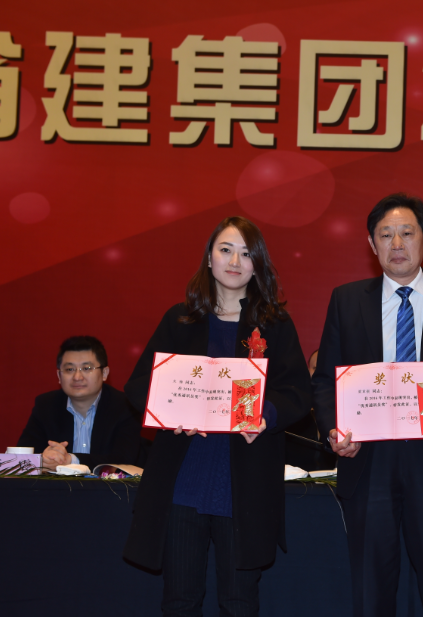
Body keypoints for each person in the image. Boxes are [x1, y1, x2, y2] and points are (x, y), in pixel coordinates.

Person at [313, 193, 423, 617]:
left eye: (407, 233)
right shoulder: (346, 299)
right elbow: (324, 380)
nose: (397, 244)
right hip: (367, 458)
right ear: (371, 244)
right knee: (371, 590)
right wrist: (334, 428)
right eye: (386, 235)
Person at [121, 217, 312, 617]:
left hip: (244, 484)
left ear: (258, 265)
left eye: (246, 253)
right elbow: (138, 385)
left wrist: (265, 414)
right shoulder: (180, 319)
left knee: (239, 603)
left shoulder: (274, 325)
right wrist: (170, 410)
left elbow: (297, 392)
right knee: (180, 601)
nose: (235, 261)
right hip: (183, 481)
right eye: (226, 250)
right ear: (209, 258)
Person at [18, 336, 141, 471]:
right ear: (59, 376)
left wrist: (71, 460)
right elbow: (21, 458)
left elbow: (124, 461)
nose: (77, 377)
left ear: (104, 373)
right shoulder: (46, 406)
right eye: (70, 369)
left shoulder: (126, 407)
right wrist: (43, 459)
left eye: (86, 368)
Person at [285, 349, 337, 471]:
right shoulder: (295, 409)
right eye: (316, 368)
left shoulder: (348, 413)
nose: (320, 375)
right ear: (308, 371)